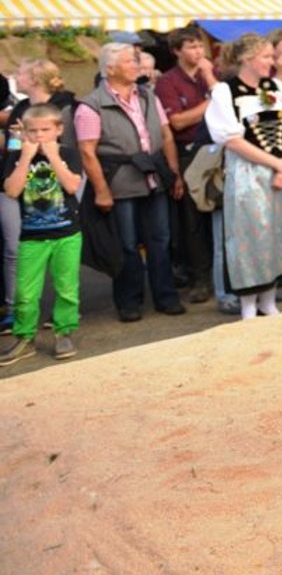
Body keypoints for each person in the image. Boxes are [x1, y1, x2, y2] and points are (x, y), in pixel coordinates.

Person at [205, 34, 282, 319]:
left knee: (277, 232)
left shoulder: (275, 86)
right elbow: (232, 140)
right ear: (247, 58)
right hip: (248, 173)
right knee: (251, 236)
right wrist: (278, 165)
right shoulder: (224, 92)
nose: (272, 62)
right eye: (266, 56)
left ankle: (268, 300)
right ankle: (248, 306)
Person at [75, 42, 186, 322]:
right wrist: (101, 191)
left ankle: (166, 297)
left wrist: (174, 173)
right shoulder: (91, 105)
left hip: (154, 177)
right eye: (129, 62)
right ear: (110, 68)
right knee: (126, 244)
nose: (136, 66)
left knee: (161, 240)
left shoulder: (148, 96)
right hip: (120, 182)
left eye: (135, 61)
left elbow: (166, 135)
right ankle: (129, 302)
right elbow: (87, 152)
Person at [0, 104, 83, 365]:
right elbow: (12, 191)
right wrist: (25, 158)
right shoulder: (15, 157)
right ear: (23, 132)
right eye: (32, 131)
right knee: (25, 292)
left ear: (58, 130)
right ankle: (25, 338)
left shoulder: (69, 153)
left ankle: (64, 332)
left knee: (66, 288)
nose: (39, 136)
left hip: (66, 233)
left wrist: (54, 156)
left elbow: (71, 185)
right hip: (31, 237)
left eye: (45, 130)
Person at [1, 60, 77, 332]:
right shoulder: (20, 109)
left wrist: (51, 154)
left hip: (60, 195)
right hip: (22, 181)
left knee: (65, 276)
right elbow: (12, 148)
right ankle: (18, 316)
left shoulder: (64, 106)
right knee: (16, 251)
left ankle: (62, 324)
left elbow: (71, 163)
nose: (14, 76)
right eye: (34, 130)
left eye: (20, 72)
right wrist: (20, 150)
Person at [154, 27, 218, 306]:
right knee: (192, 221)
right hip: (188, 152)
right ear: (177, 51)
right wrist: (212, 101)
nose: (198, 52)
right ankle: (200, 278)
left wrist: (211, 81)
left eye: (200, 46)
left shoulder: (213, 76)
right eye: (191, 47)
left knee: (218, 213)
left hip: (217, 149)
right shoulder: (167, 82)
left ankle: (222, 274)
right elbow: (177, 122)